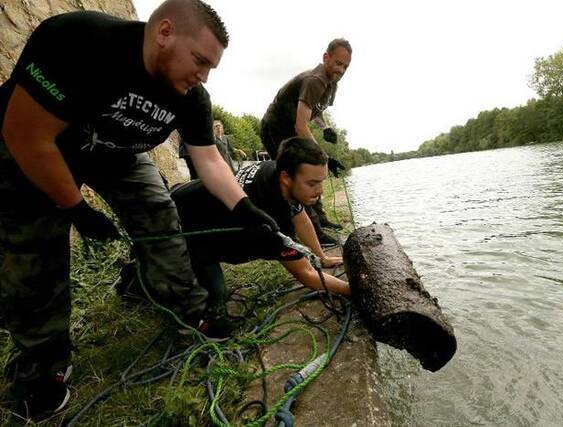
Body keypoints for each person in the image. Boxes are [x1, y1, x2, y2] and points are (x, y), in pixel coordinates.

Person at [0, 0, 278, 418]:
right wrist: (75, 207)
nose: (203, 76)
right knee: (35, 251)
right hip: (38, 143)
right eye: (200, 60)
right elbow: (25, 134)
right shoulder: (80, 39)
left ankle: (190, 311)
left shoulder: (191, 95)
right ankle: (42, 365)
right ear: (164, 32)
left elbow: (208, 158)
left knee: (161, 215)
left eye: (211, 68)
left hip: (119, 153)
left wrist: (243, 207)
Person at [163, 137, 350, 320]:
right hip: (176, 220)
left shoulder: (277, 172)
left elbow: (301, 219)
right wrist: (352, 290)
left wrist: (321, 257)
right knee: (214, 301)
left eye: (321, 181)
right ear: (286, 177)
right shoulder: (270, 215)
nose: (320, 191)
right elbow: (306, 273)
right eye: (312, 183)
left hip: (185, 197)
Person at [260, 39, 352, 244]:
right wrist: (323, 157)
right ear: (326, 57)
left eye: (346, 66)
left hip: (291, 127)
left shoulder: (332, 82)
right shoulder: (315, 80)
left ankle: (322, 219)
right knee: (300, 174)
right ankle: (313, 231)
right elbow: (301, 126)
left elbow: (316, 110)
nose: (341, 70)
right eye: (338, 63)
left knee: (311, 171)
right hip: (275, 128)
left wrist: (325, 127)